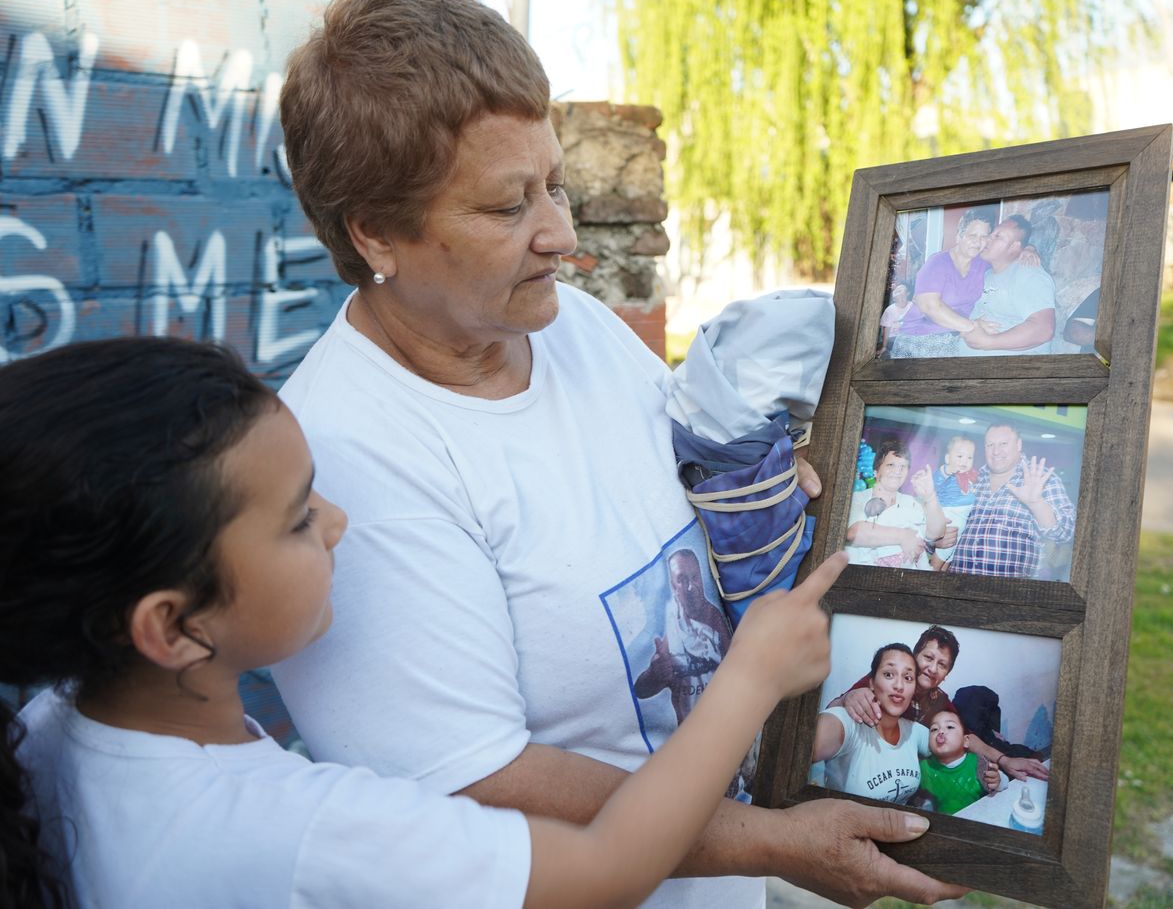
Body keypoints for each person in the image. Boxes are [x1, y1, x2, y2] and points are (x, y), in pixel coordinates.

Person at [269, 0, 963, 908]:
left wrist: (757, 488)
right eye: (507, 207)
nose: (561, 235)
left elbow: (685, 484)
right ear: (374, 232)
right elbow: (483, 783)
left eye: (553, 183)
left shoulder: (567, 326)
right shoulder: (346, 455)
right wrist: (775, 843)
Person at [0, 338, 844, 909]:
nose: (337, 521)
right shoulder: (294, 827)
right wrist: (749, 677)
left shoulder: (51, 732)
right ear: (173, 627)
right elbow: (606, 867)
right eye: (298, 519)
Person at [829, 625, 1049, 782]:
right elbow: (832, 712)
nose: (932, 669)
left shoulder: (940, 700)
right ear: (914, 656)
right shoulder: (886, 680)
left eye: (942, 665)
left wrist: (1004, 760)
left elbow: (965, 737)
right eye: (928, 658)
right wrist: (846, 698)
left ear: (946, 674)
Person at [944, 423, 1076, 580]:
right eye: (990, 444)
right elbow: (952, 520)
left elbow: (1068, 532)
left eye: (1003, 444)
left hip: (1009, 594)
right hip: (957, 584)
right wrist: (940, 540)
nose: (996, 451)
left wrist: (1037, 503)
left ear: (1018, 444)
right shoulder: (974, 479)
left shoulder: (1040, 479)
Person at [811, 645, 929, 805]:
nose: (899, 686)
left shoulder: (914, 731)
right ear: (871, 683)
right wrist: (843, 700)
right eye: (888, 674)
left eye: (908, 678)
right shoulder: (850, 723)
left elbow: (953, 745)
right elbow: (795, 745)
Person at [633, 549, 731, 722]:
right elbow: (640, 690)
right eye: (682, 579)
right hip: (691, 738)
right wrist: (655, 673)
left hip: (731, 725)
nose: (691, 586)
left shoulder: (717, 617)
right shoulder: (668, 631)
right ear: (673, 585)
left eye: (695, 577)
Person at [885, 208, 996, 358]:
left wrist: (1028, 249)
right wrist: (971, 326)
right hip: (921, 338)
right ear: (959, 236)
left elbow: (1007, 262)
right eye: (973, 235)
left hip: (957, 335)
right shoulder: (937, 262)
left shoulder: (983, 264)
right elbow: (929, 306)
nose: (978, 242)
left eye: (984, 236)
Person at [958, 215, 1058, 356]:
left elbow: (1043, 329)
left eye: (997, 236)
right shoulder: (986, 274)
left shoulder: (1029, 272)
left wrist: (988, 342)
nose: (987, 239)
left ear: (1014, 246)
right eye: (991, 234)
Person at [845, 437, 945, 570]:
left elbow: (936, 534)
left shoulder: (912, 503)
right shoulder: (857, 498)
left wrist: (930, 496)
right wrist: (904, 536)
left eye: (903, 466)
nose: (897, 471)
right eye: (891, 465)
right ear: (876, 471)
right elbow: (854, 533)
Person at [910, 710, 1002, 815]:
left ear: (966, 741)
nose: (940, 732)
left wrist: (997, 781)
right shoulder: (923, 768)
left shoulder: (979, 763)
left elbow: (1000, 785)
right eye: (934, 729)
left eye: (949, 727)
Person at [929, 435, 978, 567]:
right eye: (960, 456)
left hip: (962, 517)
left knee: (950, 556)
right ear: (947, 458)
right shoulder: (948, 474)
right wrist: (946, 470)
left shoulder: (969, 477)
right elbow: (935, 482)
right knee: (943, 553)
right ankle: (929, 574)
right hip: (951, 515)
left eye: (969, 457)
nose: (965, 461)